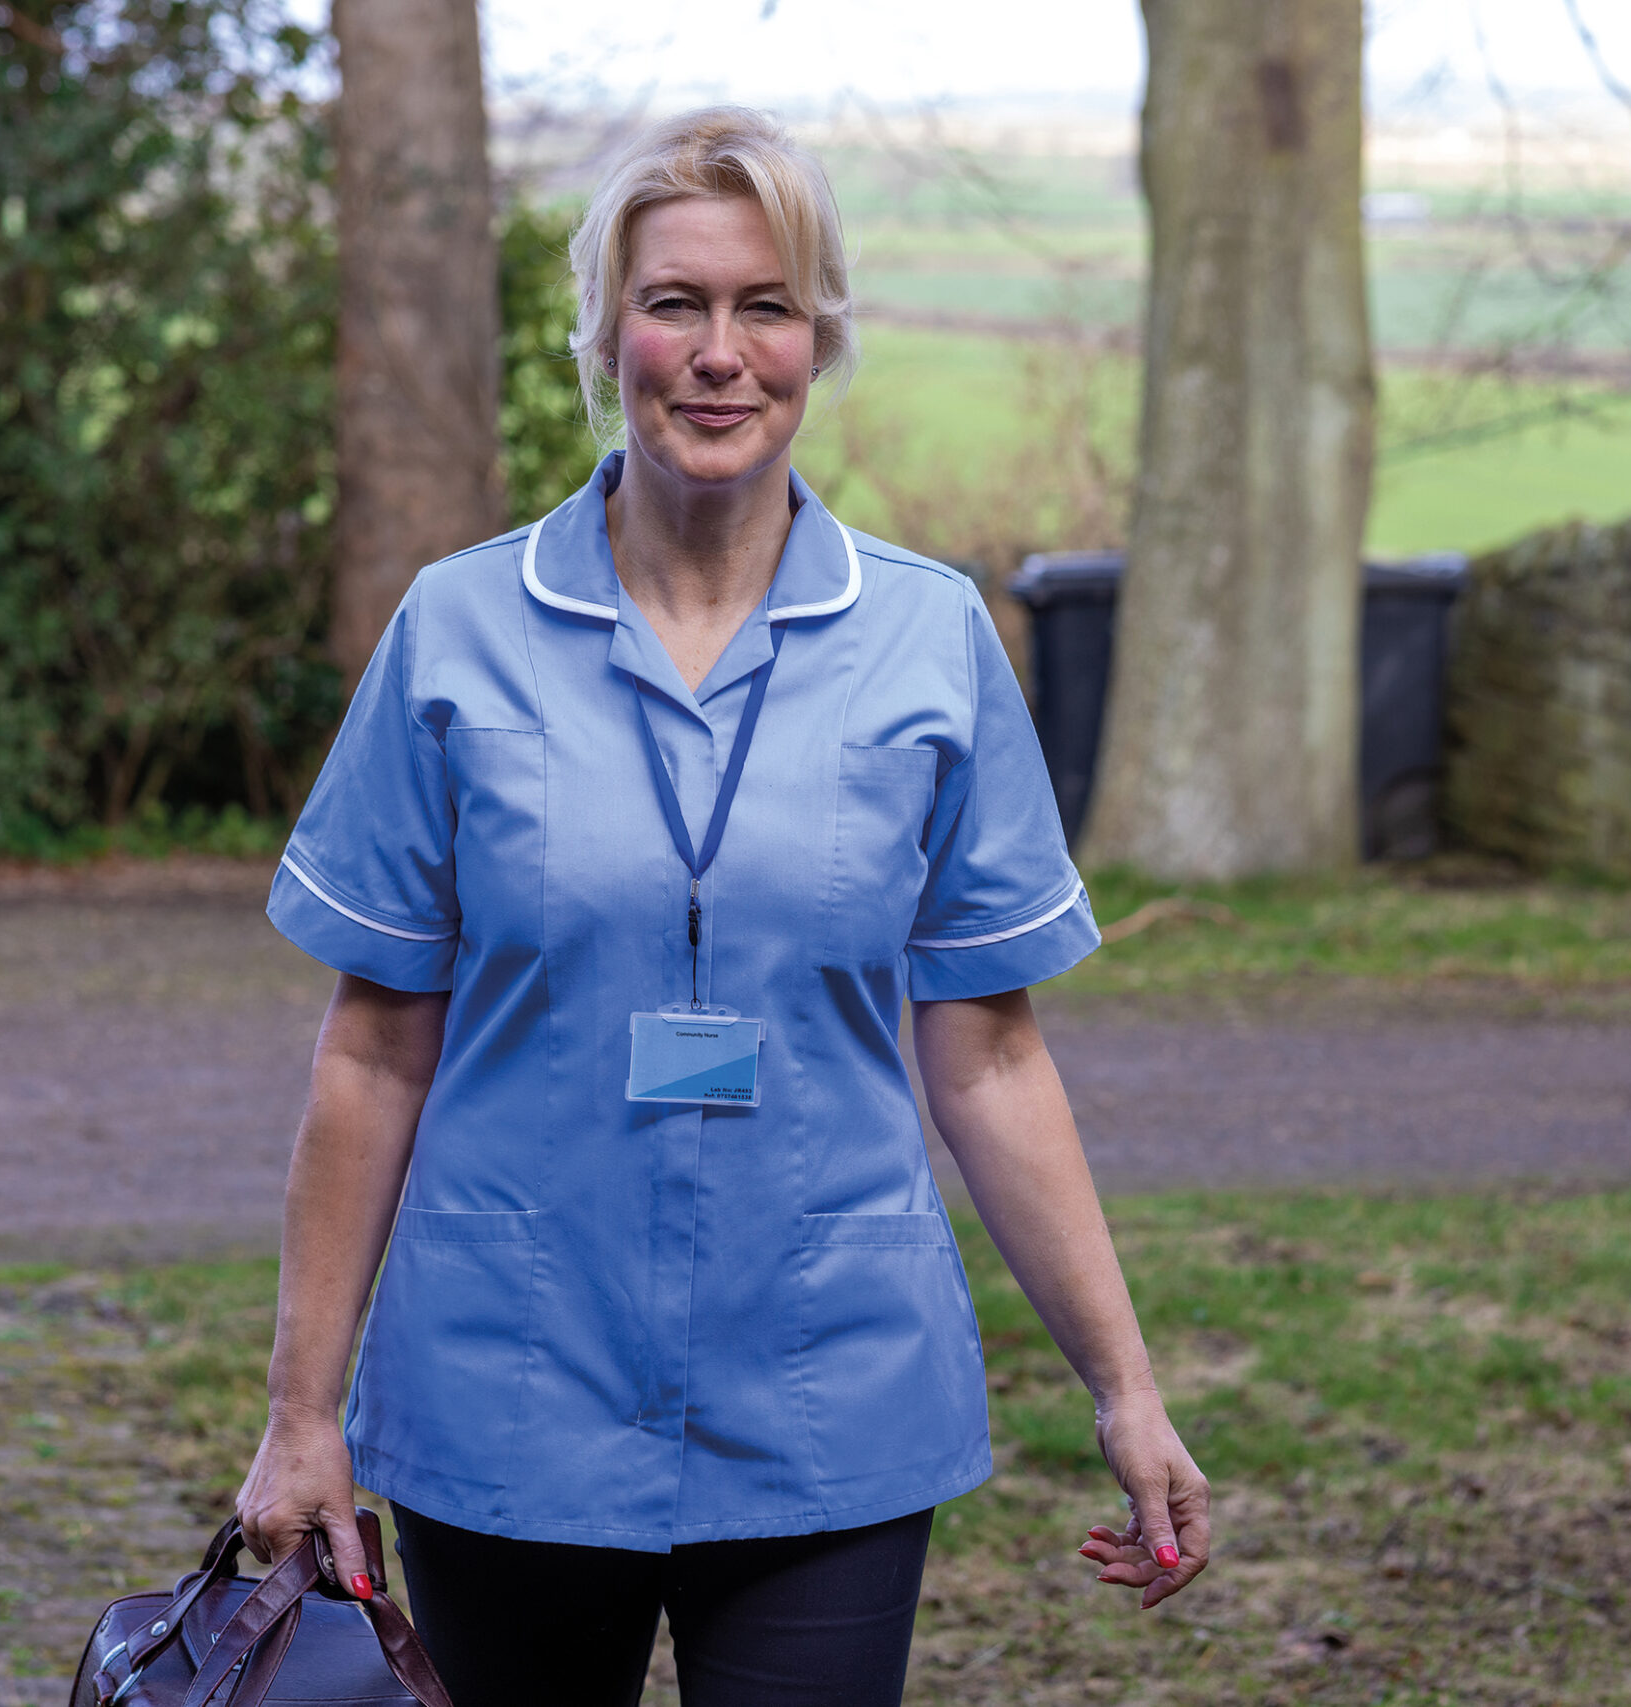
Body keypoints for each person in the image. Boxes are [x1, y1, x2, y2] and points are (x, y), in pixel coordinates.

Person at [234, 107, 1209, 1706]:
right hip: (509, 1396)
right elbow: (371, 1053)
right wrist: (302, 1414)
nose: (717, 352)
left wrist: (1126, 1391)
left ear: (820, 341)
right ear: (606, 332)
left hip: (832, 1395)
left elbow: (991, 1058)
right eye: (673, 303)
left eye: (766, 307)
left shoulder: (932, 644)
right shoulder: (458, 631)